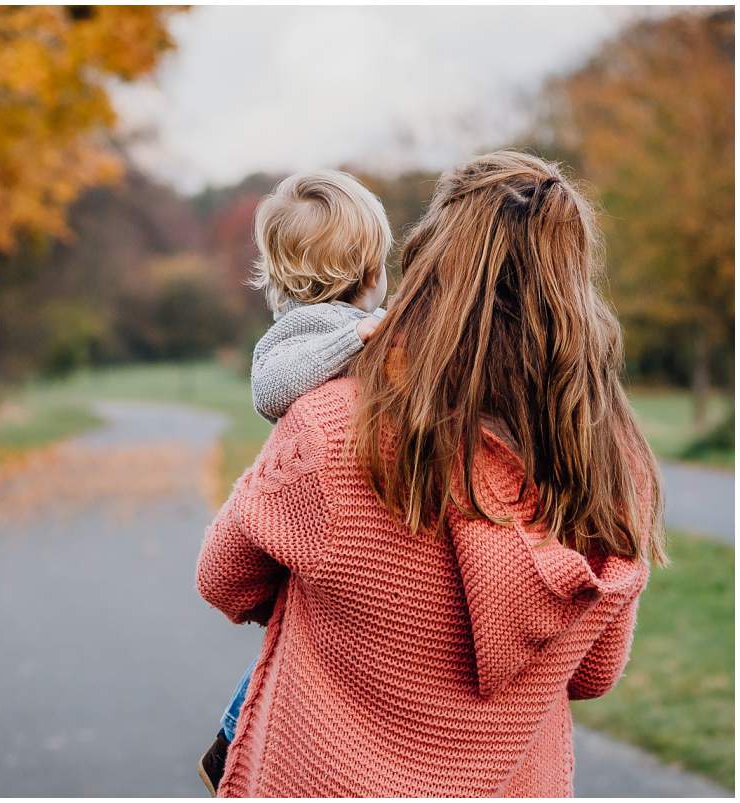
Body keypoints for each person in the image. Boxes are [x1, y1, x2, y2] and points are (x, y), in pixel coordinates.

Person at [196, 151, 665, 797]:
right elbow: (593, 671)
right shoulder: (611, 461)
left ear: (433, 258)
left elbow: (224, 579)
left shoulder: (337, 424)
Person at [197, 169, 392, 795]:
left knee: (294, 636)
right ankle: (233, 737)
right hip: (309, 508)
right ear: (367, 273)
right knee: (293, 639)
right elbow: (272, 389)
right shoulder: (301, 336)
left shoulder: (373, 326)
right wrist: (358, 341)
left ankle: (234, 733)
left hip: (333, 505)